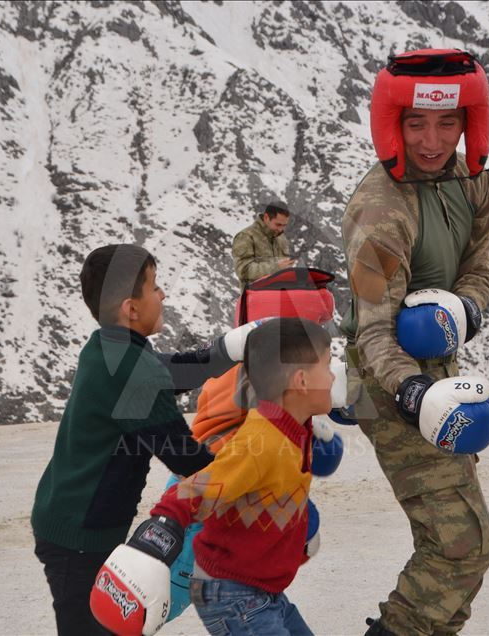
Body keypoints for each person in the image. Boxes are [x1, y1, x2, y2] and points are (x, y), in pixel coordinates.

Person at [341, 49, 489, 635]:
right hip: (386, 384)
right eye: (416, 123)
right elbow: (374, 329)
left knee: (462, 549)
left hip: (439, 372)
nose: (432, 141)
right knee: (459, 543)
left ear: (467, 122)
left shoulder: (471, 181)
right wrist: (414, 392)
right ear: (395, 124)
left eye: (447, 122)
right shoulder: (380, 210)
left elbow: (479, 268)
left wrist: (464, 311)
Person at [30, 243, 262, 635]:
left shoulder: (108, 346)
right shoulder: (132, 370)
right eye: (155, 287)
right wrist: (254, 476)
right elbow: (186, 459)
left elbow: (169, 370)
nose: (163, 294)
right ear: (131, 308)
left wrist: (227, 349)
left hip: (69, 516)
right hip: (80, 534)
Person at [90, 317, 334, 635]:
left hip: (263, 589)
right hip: (232, 595)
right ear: (301, 382)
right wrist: (159, 530)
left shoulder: (293, 428)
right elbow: (199, 487)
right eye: (327, 366)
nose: (333, 376)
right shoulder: (260, 443)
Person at [232, 202, 296, 289]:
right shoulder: (246, 236)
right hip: (255, 296)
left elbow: (284, 267)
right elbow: (243, 270)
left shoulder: (281, 238)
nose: (281, 229)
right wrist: (276, 267)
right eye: (278, 224)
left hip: (280, 295)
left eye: (284, 225)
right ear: (266, 217)